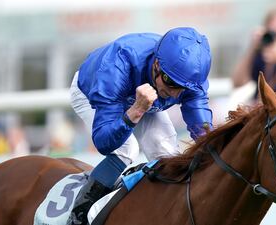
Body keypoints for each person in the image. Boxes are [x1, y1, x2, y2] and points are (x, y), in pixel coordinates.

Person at [68, 27, 212, 225]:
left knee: (167, 155)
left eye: (184, 89)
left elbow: (202, 128)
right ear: (156, 64)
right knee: (127, 149)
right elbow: (103, 142)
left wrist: (212, 146)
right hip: (93, 91)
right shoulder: (118, 63)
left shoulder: (190, 77)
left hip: (143, 101)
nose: (175, 94)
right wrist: (135, 111)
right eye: (170, 83)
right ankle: (78, 215)